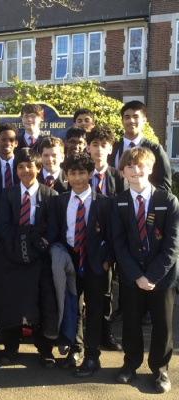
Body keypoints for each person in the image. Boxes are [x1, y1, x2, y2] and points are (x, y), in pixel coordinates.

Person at [111, 147, 179, 394]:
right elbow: (118, 244)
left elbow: (173, 245)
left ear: (150, 169)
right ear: (122, 172)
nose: (136, 170)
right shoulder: (118, 202)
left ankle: (160, 368)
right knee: (130, 322)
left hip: (162, 277)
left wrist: (151, 276)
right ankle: (131, 363)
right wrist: (137, 276)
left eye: (141, 166)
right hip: (132, 277)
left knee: (162, 325)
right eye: (130, 166)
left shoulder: (168, 201)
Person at [48, 152, 114, 377]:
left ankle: (92, 356)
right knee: (73, 307)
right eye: (72, 173)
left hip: (96, 263)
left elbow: (113, 236)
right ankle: (75, 348)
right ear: (66, 175)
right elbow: (56, 233)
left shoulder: (104, 203)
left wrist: (107, 261)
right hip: (71, 261)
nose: (77, 178)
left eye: (82, 173)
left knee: (94, 309)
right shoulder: (60, 201)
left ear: (91, 174)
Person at [0, 148, 58, 367]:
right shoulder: (8, 194)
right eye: (20, 167)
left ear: (38, 168)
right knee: (10, 300)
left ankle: (45, 348)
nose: (25, 170)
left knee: (43, 300)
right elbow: (3, 227)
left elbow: (52, 230)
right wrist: (30, 236)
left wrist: (34, 243)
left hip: (40, 257)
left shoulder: (50, 195)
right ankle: (11, 346)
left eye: (29, 166)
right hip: (12, 255)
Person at [85, 125, 126, 352]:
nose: (99, 149)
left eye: (104, 145)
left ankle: (105, 332)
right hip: (83, 240)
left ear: (110, 149)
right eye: (95, 145)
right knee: (83, 291)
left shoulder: (117, 177)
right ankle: (83, 335)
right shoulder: (80, 173)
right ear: (88, 147)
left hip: (108, 244)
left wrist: (112, 252)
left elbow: (123, 213)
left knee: (106, 291)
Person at [108, 100, 171, 192]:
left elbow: (164, 185)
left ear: (144, 120)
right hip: (118, 200)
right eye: (127, 117)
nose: (131, 121)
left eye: (135, 117)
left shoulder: (155, 150)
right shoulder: (112, 148)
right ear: (122, 121)